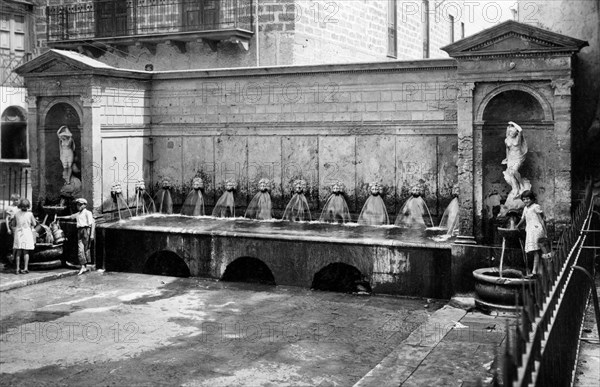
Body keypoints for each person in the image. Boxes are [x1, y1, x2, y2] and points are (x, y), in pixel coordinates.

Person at [57, 198, 95, 275]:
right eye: (78, 205)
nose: (79, 206)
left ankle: (84, 266)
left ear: (85, 205)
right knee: (80, 249)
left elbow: (92, 224)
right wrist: (58, 217)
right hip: (79, 231)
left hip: (86, 230)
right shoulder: (78, 214)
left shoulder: (88, 213)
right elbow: (70, 217)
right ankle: (83, 266)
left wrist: (91, 234)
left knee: (85, 249)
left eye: (81, 204)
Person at [516, 190, 546, 276]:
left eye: (528, 199)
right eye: (524, 199)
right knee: (533, 250)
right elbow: (523, 218)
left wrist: (544, 231)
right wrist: (517, 226)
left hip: (536, 229)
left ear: (532, 199)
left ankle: (534, 271)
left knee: (536, 250)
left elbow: (541, 219)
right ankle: (538, 269)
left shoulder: (536, 207)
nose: (526, 201)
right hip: (529, 230)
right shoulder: (525, 208)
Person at [502, 121, 528, 197]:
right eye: (511, 132)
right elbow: (507, 149)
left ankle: (521, 184)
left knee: (514, 171)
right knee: (510, 174)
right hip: (511, 157)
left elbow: (520, 130)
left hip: (518, 157)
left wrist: (513, 123)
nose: (512, 133)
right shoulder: (507, 140)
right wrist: (507, 158)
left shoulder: (518, 138)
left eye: (513, 132)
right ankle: (515, 189)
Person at [12, 198, 37, 274]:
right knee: (26, 252)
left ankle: (17, 268)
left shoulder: (16, 214)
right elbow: (34, 224)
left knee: (18, 251)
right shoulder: (30, 214)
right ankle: (25, 268)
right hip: (27, 233)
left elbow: (13, 224)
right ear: (28, 206)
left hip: (19, 233)